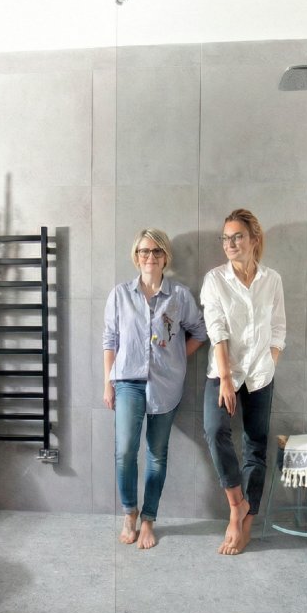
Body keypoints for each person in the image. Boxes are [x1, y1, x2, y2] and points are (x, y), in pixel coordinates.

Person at [102, 229, 208, 549]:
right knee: (124, 452)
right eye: (144, 251)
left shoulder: (179, 296)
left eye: (157, 251)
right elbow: (110, 340)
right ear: (136, 257)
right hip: (127, 381)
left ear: (165, 257)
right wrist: (108, 383)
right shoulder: (120, 295)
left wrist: (177, 357)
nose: (150, 256)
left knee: (157, 454)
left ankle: (149, 519)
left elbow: (199, 332)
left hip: (166, 384)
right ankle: (130, 513)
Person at [200, 208, 286, 556]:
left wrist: (271, 361)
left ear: (254, 239)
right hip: (225, 372)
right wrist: (225, 378)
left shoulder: (272, 280)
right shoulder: (215, 279)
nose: (230, 243)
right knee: (214, 430)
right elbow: (216, 329)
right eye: (226, 238)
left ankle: (246, 525)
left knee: (255, 445)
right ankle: (237, 505)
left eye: (237, 237)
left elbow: (278, 327)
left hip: (261, 374)